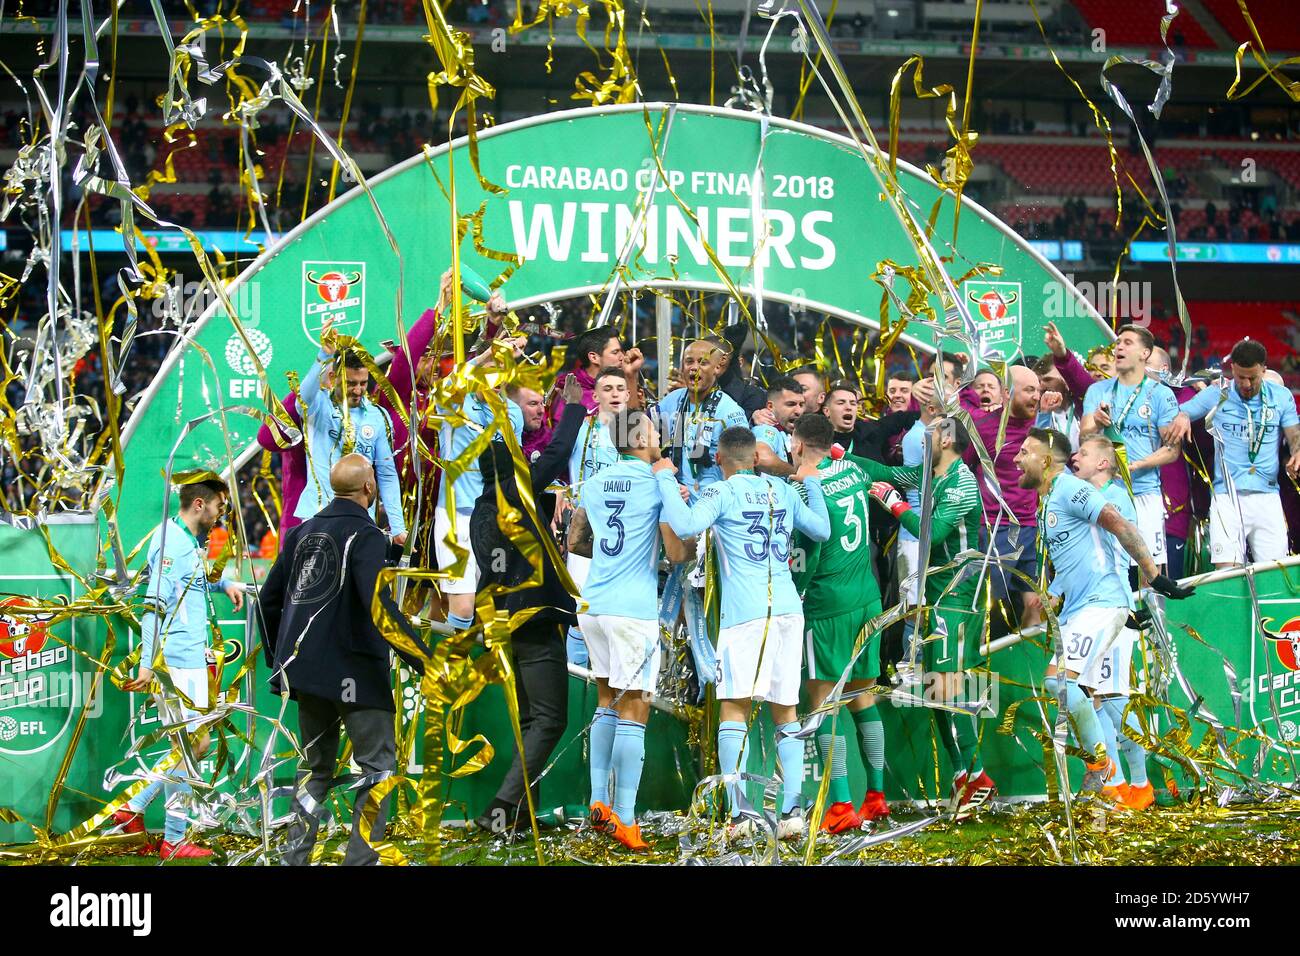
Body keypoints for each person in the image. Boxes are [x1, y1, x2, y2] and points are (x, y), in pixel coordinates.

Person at [657, 427, 831, 841]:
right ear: (756, 459)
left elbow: (683, 526)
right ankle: (792, 813)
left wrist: (665, 476)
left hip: (746, 616)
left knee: (734, 708)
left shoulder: (721, 492)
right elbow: (821, 531)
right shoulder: (782, 489)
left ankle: (741, 815)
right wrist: (812, 484)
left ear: (719, 460)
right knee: (785, 710)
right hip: (789, 611)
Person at [257, 454, 425, 865]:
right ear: (370, 488)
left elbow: (266, 602)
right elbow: (376, 604)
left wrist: (278, 660)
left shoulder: (300, 533)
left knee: (316, 770)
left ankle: (294, 859)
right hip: (355, 672)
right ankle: (361, 861)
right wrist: (422, 658)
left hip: (306, 674)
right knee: (378, 768)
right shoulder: (366, 536)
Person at [1013, 429, 1192, 797]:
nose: (1016, 458)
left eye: (1025, 451)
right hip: (1080, 609)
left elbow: (1120, 525)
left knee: (1062, 683)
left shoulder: (1069, 489)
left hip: (1103, 603)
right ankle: (1112, 787)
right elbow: (1072, 561)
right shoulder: (1046, 503)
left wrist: (1155, 578)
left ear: (1046, 459)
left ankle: (1106, 768)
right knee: (1099, 700)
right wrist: (1051, 594)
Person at [854, 418, 995, 814]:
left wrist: (894, 504)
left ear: (947, 439)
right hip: (936, 594)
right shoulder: (929, 474)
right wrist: (837, 456)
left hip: (959, 597)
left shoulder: (962, 483)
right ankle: (961, 776)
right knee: (936, 693)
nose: (920, 437)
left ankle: (979, 775)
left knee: (947, 690)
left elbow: (930, 533)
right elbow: (883, 472)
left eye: (930, 430)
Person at [471, 375, 588, 836]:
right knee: (551, 719)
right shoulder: (514, 493)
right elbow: (556, 455)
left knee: (527, 719)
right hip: (535, 620)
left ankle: (520, 815)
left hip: (503, 623)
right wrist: (574, 408)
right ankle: (499, 811)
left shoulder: (485, 504)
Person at [567, 408, 688, 851]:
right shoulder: (657, 482)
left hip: (592, 603)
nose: (660, 435)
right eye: (655, 429)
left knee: (606, 701)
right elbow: (676, 552)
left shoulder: (596, 482)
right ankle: (627, 817)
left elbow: (576, 539)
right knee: (635, 706)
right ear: (641, 438)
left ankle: (599, 803)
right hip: (631, 609)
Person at [114, 474, 245, 860]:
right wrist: (149, 664)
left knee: (187, 746)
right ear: (200, 505)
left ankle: (132, 810)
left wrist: (224, 585)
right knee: (192, 745)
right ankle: (168, 836)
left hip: (184, 658)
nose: (222, 515)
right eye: (220, 506)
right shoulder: (172, 543)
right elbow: (154, 604)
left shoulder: (184, 540)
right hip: (174, 662)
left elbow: (190, 583)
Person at [788, 413, 888, 832]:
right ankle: (877, 796)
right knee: (864, 698)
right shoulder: (852, 469)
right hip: (867, 597)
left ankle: (841, 804)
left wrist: (793, 591)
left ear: (796, 445)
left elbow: (805, 557)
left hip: (826, 605)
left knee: (823, 705)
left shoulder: (802, 490)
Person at [1164, 338, 1300, 567]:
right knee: (1226, 571)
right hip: (1227, 497)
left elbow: (1293, 434)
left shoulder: (1280, 396)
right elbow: (1179, 412)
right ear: (1233, 370)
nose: (1246, 384)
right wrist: (1182, 416)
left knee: (1276, 571)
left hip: (1268, 497)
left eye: (1253, 378)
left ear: (1264, 370)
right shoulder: (1218, 394)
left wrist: (1297, 451)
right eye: (1241, 377)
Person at [1070, 435, 1153, 810]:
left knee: (1112, 697)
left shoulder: (1112, 500)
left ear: (1104, 463)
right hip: (1096, 610)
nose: (1076, 456)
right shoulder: (1094, 498)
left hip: (1112, 611)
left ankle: (1132, 786)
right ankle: (1124, 786)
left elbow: (1124, 554)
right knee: (1097, 696)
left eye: (1084, 453)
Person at [433, 340, 526, 633]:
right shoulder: (454, 404)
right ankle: (452, 672)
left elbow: (515, 469)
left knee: (491, 609)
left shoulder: (513, 413)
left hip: (493, 522)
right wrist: (486, 354)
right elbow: (445, 387)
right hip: (456, 516)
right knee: (463, 605)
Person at [295, 321, 407, 546]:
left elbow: (386, 473)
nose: (358, 390)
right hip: (319, 515)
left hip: (361, 520)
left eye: (363, 383)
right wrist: (323, 355)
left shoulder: (378, 416)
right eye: (350, 383)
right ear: (334, 376)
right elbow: (303, 398)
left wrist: (398, 527)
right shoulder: (318, 407)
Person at [1081, 324, 1181, 573]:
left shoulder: (1161, 394)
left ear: (1145, 353)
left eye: (1127, 343)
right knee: (1104, 566)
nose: (1120, 347)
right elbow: (1084, 433)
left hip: (1145, 492)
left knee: (1151, 570)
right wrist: (1096, 419)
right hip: (1105, 492)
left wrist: (1136, 465)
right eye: (1118, 343)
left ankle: (1151, 613)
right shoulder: (1098, 390)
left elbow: (1172, 450)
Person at [963, 365, 1043, 630]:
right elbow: (961, 468)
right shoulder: (984, 426)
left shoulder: (1041, 424)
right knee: (993, 607)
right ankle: (987, 667)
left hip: (1032, 527)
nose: (1036, 397)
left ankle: (1024, 667)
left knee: (1035, 607)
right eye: (1030, 390)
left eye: (1039, 391)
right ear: (1007, 394)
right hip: (995, 530)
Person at [563, 366, 631, 666]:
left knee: (615, 611)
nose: (615, 394)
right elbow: (557, 459)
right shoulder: (582, 428)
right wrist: (558, 492)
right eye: (608, 389)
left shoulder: (639, 433)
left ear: (629, 394)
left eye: (620, 388)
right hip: (585, 531)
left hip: (624, 533)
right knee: (581, 607)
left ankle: (609, 675)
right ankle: (576, 673)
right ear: (595, 395)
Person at [657, 338, 750, 495]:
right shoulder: (671, 401)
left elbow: (743, 467)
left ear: (717, 368)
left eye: (703, 362)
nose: (694, 368)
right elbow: (639, 435)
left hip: (713, 504)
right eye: (689, 362)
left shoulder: (729, 411)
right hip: (675, 498)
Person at [548, 325, 644, 424]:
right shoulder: (569, 391)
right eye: (615, 352)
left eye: (621, 352)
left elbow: (632, 426)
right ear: (594, 358)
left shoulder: (623, 383)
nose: (622, 357)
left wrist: (631, 375)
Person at [256, 389, 307, 541]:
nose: (357, 390)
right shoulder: (308, 404)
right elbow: (267, 438)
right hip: (301, 522)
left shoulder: (371, 412)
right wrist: (304, 391)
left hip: (358, 520)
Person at [752, 375, 807, 477]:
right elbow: (762, 458)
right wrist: (796, 473)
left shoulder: (792, 434)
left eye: (801, 405)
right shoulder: (766, 428)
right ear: (770, 406)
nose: (798, 411)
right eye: (791, 404)